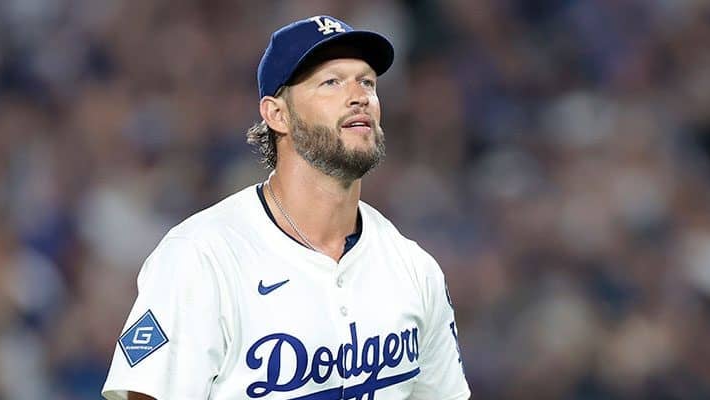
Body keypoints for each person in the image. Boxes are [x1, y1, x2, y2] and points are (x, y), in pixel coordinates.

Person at [101, 15, 471, 400]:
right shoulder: (201, 257)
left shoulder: (414, 269)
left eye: (367, 82)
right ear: (277, 114)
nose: (359, 96)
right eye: (331, 82)